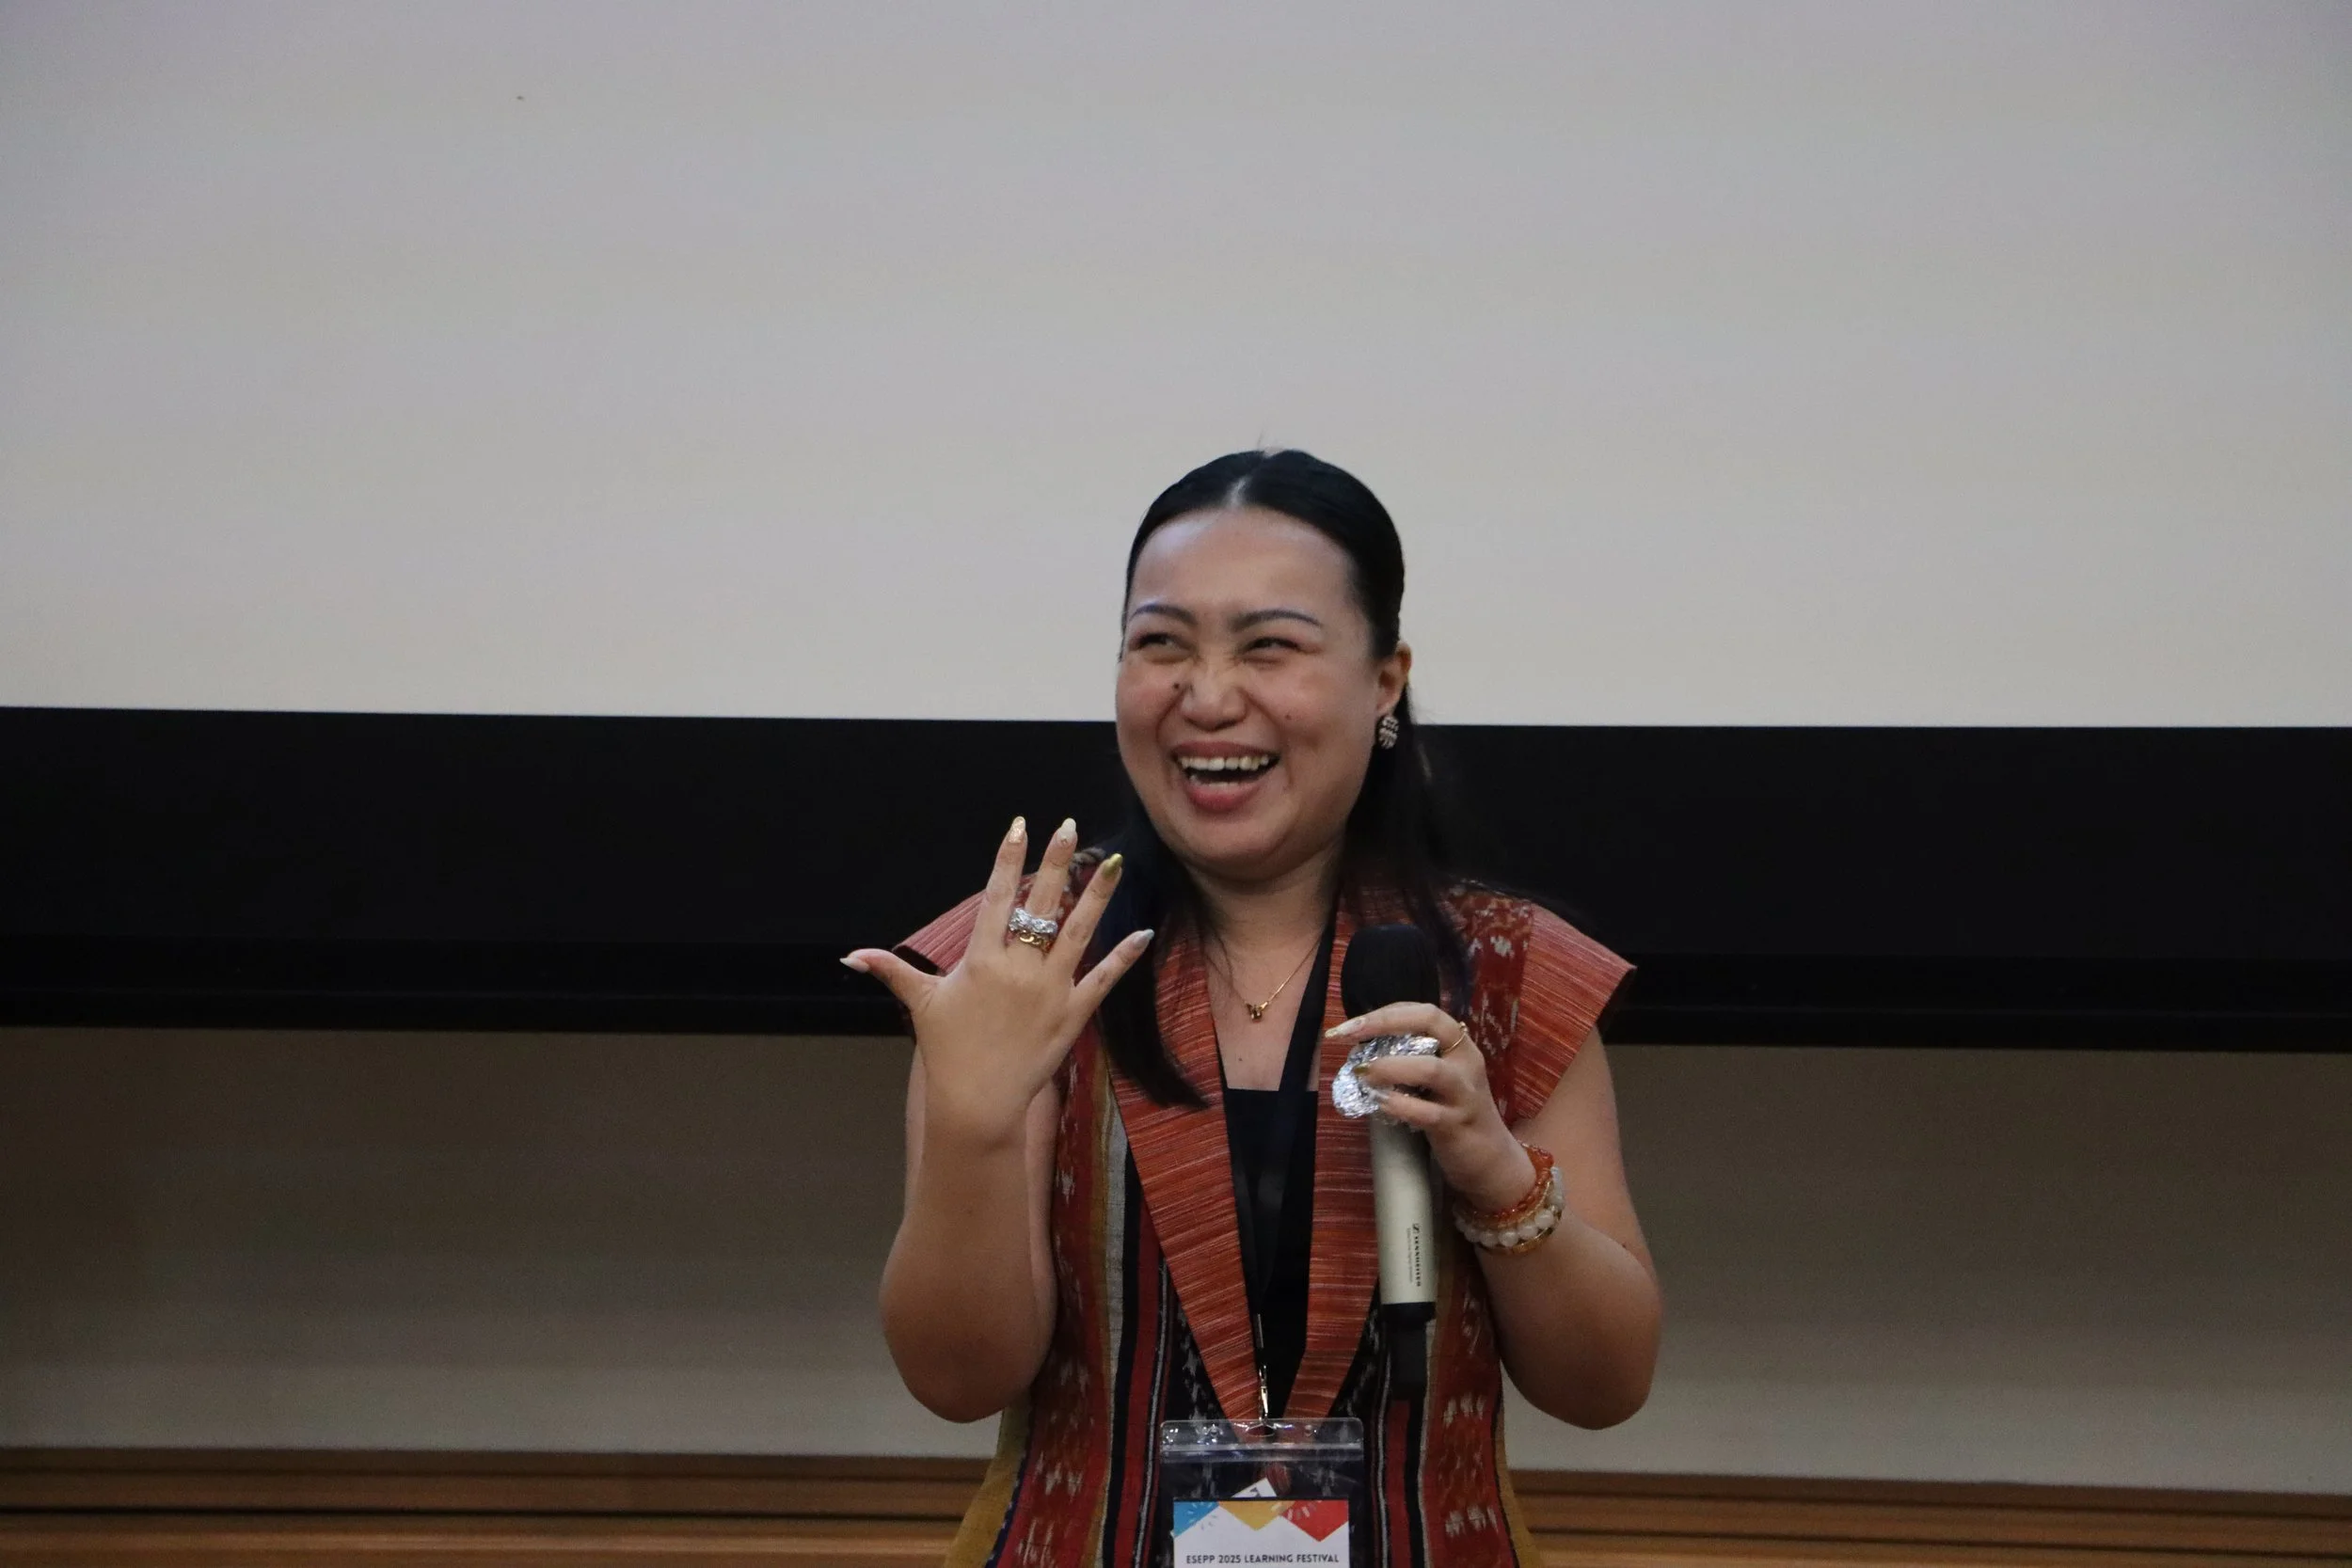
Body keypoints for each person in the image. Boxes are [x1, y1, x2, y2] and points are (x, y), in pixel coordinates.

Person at [845, 450, 1660, 1567]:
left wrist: (1492, 1169)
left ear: (1383, 682)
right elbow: (954, 1377)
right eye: (1160, 643)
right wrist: (976, 1124)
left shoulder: (1507, 970)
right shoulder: (1019, 962)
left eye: (1268, 645)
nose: (1207, 695)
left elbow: (1606, 1383)